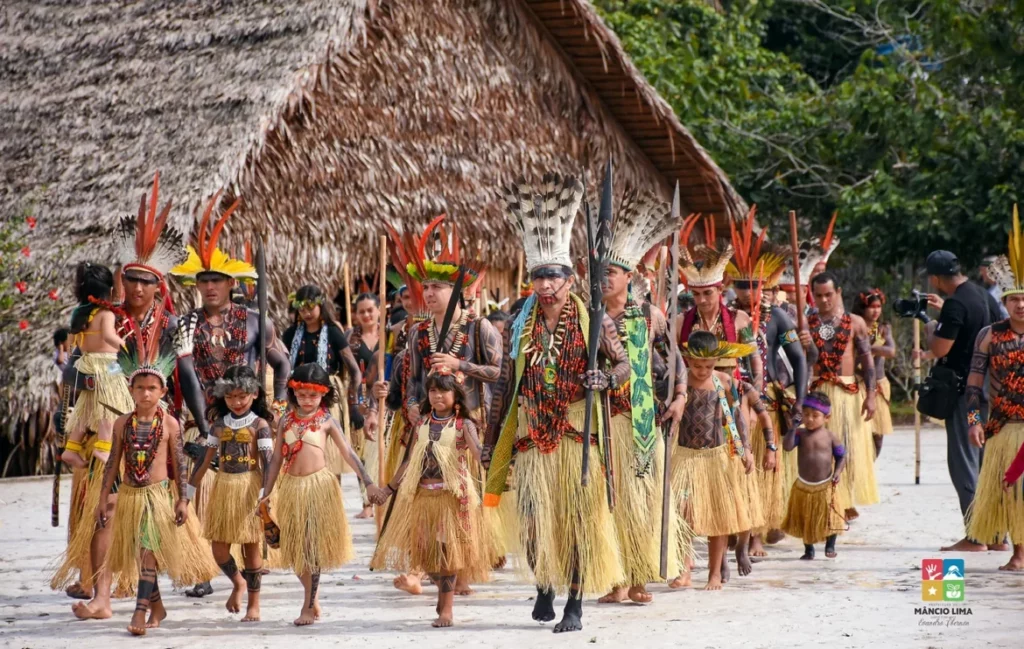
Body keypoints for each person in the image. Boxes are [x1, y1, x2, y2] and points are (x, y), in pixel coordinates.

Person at [484, 172, 626, 633]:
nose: (546, 286)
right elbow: (505, 384)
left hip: (574, 433)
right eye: (539, 278)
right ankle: (544, 582)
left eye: (554, 278)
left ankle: (575, 604)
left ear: (570, 279)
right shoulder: (518, 326)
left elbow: (625, 367)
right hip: (529, 433)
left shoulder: (593, 320)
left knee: (576, 520)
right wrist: (491, 441)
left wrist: (603, 377)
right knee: (531, 520)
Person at [170, 194, 291, 597]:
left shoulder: (257, 321)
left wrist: (276, 406)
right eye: (203, 281)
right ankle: (206, 570)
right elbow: (186, 372)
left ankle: (253, 567)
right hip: (203, 419)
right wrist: (204, 423)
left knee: (250, 490)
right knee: (203, 496)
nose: (209, 287)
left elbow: (281, 363)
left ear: (231, 283)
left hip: (249, 417)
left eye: (216, 280)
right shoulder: (185, 324)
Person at [598, 189, 689, 604]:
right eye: (598, 275)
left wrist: (681, 395)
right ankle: (614, 579)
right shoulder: (588, 317)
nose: (603, 282)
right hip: (601, 420)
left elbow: (674, 360)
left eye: (610, 275)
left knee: (638, 496)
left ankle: (638, 577)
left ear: (628, 276)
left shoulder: (648, 316)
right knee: (606, 498)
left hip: (640, 419)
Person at [98, 336, 217, 636]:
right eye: (140, 388)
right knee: (140, 554)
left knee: (148, 551)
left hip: (156, 496)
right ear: (131, 389)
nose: (146, 393)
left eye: (152, 388)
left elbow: (180, 464)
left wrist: (183, 500)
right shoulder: (122, 423)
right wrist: (103, 499)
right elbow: (112, 463)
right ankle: (158, 606)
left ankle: (140, 612)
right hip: (129, 495)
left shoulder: (170, 424)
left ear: (163, 391)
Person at [259, 364, 382, 626]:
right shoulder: (286, 421)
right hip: (292, 488)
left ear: (323, 395)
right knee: (294, 550)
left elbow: (349, 453)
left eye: (313, 396)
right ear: (294, 393)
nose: (306, 400)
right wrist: (265, 492)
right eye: (301, 394)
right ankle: (311, 597)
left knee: (311, 549)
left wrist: (368, 483)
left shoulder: (327, 421)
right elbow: (277, 458)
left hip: (319, 489)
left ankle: (306, 605)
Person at [370, 369, 490, 627]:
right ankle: (441, 592)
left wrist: (496, 457)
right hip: (422, 496)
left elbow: (480, 454)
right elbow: (408, 462)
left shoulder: (463, 425)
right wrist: (387, 490)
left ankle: (446, 610)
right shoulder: (422, 423)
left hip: (452, 497)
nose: (437, 396)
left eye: (443, 391)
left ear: (456, 395)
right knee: (425, 553)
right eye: (433, 390)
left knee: (447, 553)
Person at [725, 213, 808, 555]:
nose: (748, 294)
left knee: (762, 464)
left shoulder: (778, 317)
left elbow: (800, 358)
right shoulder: (726, 316)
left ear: (765, 285)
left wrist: (800, 402)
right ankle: (735, 524)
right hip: (730, 399)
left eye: (754, 286)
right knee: (734, 465)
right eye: (741, 287)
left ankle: (758, 531)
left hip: (767, 402)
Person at [920, 250, 997, 552]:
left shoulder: (955, 304)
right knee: (986, 460)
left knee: (965, 459)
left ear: (936, 279)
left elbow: (939, 349)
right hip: (989, 388)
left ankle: (976, 535)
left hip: (967, 397)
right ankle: (997, 535)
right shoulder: (982, 295)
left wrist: (930, 327)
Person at [673, 331, 762, 589]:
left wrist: (744, 448)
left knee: (717, 517)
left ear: (717, 362)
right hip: (685, 456)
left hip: (715, 457)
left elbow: (733, 418)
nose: (702, 371)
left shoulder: (723, 382)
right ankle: (683, 570)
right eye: (697, 365)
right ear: (688, 360)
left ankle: (714, 573)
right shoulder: (679, 383)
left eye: (708, 366)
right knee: (682, 515)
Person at [187, 365, 274, 621]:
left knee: (250, 547)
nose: (236, 402)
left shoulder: (261, 425)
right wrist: (187, 495)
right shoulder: (218, 426)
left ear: (255, 394)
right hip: (224, 487)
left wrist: (264, 495)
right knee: (219, 549)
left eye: (241, 396)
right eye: (230, 397)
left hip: (249, 488)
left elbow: (268, 463)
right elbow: (204, 462)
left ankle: (254, 606)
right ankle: (238, 583)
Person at [964, 226, 1024, 570]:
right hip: (1003, 427)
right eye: (1014, 299)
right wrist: (974, 422)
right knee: (1011, 492)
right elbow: (974, 385)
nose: (1021, 304)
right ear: (1004, 302)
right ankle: (1018, 552)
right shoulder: (989, 336)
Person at [800, 272, 877, 520]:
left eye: (828, 295)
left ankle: (844, 500)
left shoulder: (855, 322)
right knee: (819, 450)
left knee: (848, 449)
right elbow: (795, 359)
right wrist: (800, 343)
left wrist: (872, 395)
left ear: (839, 293)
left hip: (848, 392)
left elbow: (867, 360)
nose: (824, 300)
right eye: (818, 295)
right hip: (818, 393)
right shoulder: (803, 324)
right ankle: (825, 501)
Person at [283, 285, 365, 511]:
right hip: (298, 396)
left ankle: (331, 506)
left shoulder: (334, 333)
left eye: (312, 307)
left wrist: (354, 403)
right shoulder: (290, 334)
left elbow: (354, 370)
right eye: (303, 308)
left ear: (321, 306)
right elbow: (281, 366)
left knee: (329, 454)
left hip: (329, 395)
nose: (307, 312)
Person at [676, 216, 761, 386]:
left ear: (720, 290)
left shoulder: (740, 318)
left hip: (731, 391)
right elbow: (673, 360)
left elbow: (754, 356)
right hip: (692, 393)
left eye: (707, 293)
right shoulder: (681, 321)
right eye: (696, 294)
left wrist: (757, 384)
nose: (701, 299)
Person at [781, 391, 848, 560]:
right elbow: (787, 447)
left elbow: (842, 456)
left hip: (825, 485)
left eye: (815, 415)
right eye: (806, 415)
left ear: (827, 417)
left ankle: (830, 546)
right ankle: (808, 549)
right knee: (806, 517)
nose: (809, 419)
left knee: (830, 517)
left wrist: (838, 473)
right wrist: (792, 428)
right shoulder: (799, 435)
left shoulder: (830, 436)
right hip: (804, 485)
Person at [345, 292, 383, 518]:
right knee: (362, 453)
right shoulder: (350, 338)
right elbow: (349, 375)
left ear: (379, 310)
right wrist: (354, 404)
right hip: (359, 400)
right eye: (362, 311)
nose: (367, 315)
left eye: (371, 310)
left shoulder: (389, 335)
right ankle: (367, 503)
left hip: (384, 400)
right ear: (356, 314)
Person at [853, 290, 895, 456]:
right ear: (862, 308)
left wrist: (868, 349)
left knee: (877, 435)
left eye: (878, 306)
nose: (876, 311)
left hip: (879, 385)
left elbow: (891, 351)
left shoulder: (884, 329)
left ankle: (871, 465)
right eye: (871, 307)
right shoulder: (854, 327)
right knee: (859, 431)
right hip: (858, 385)